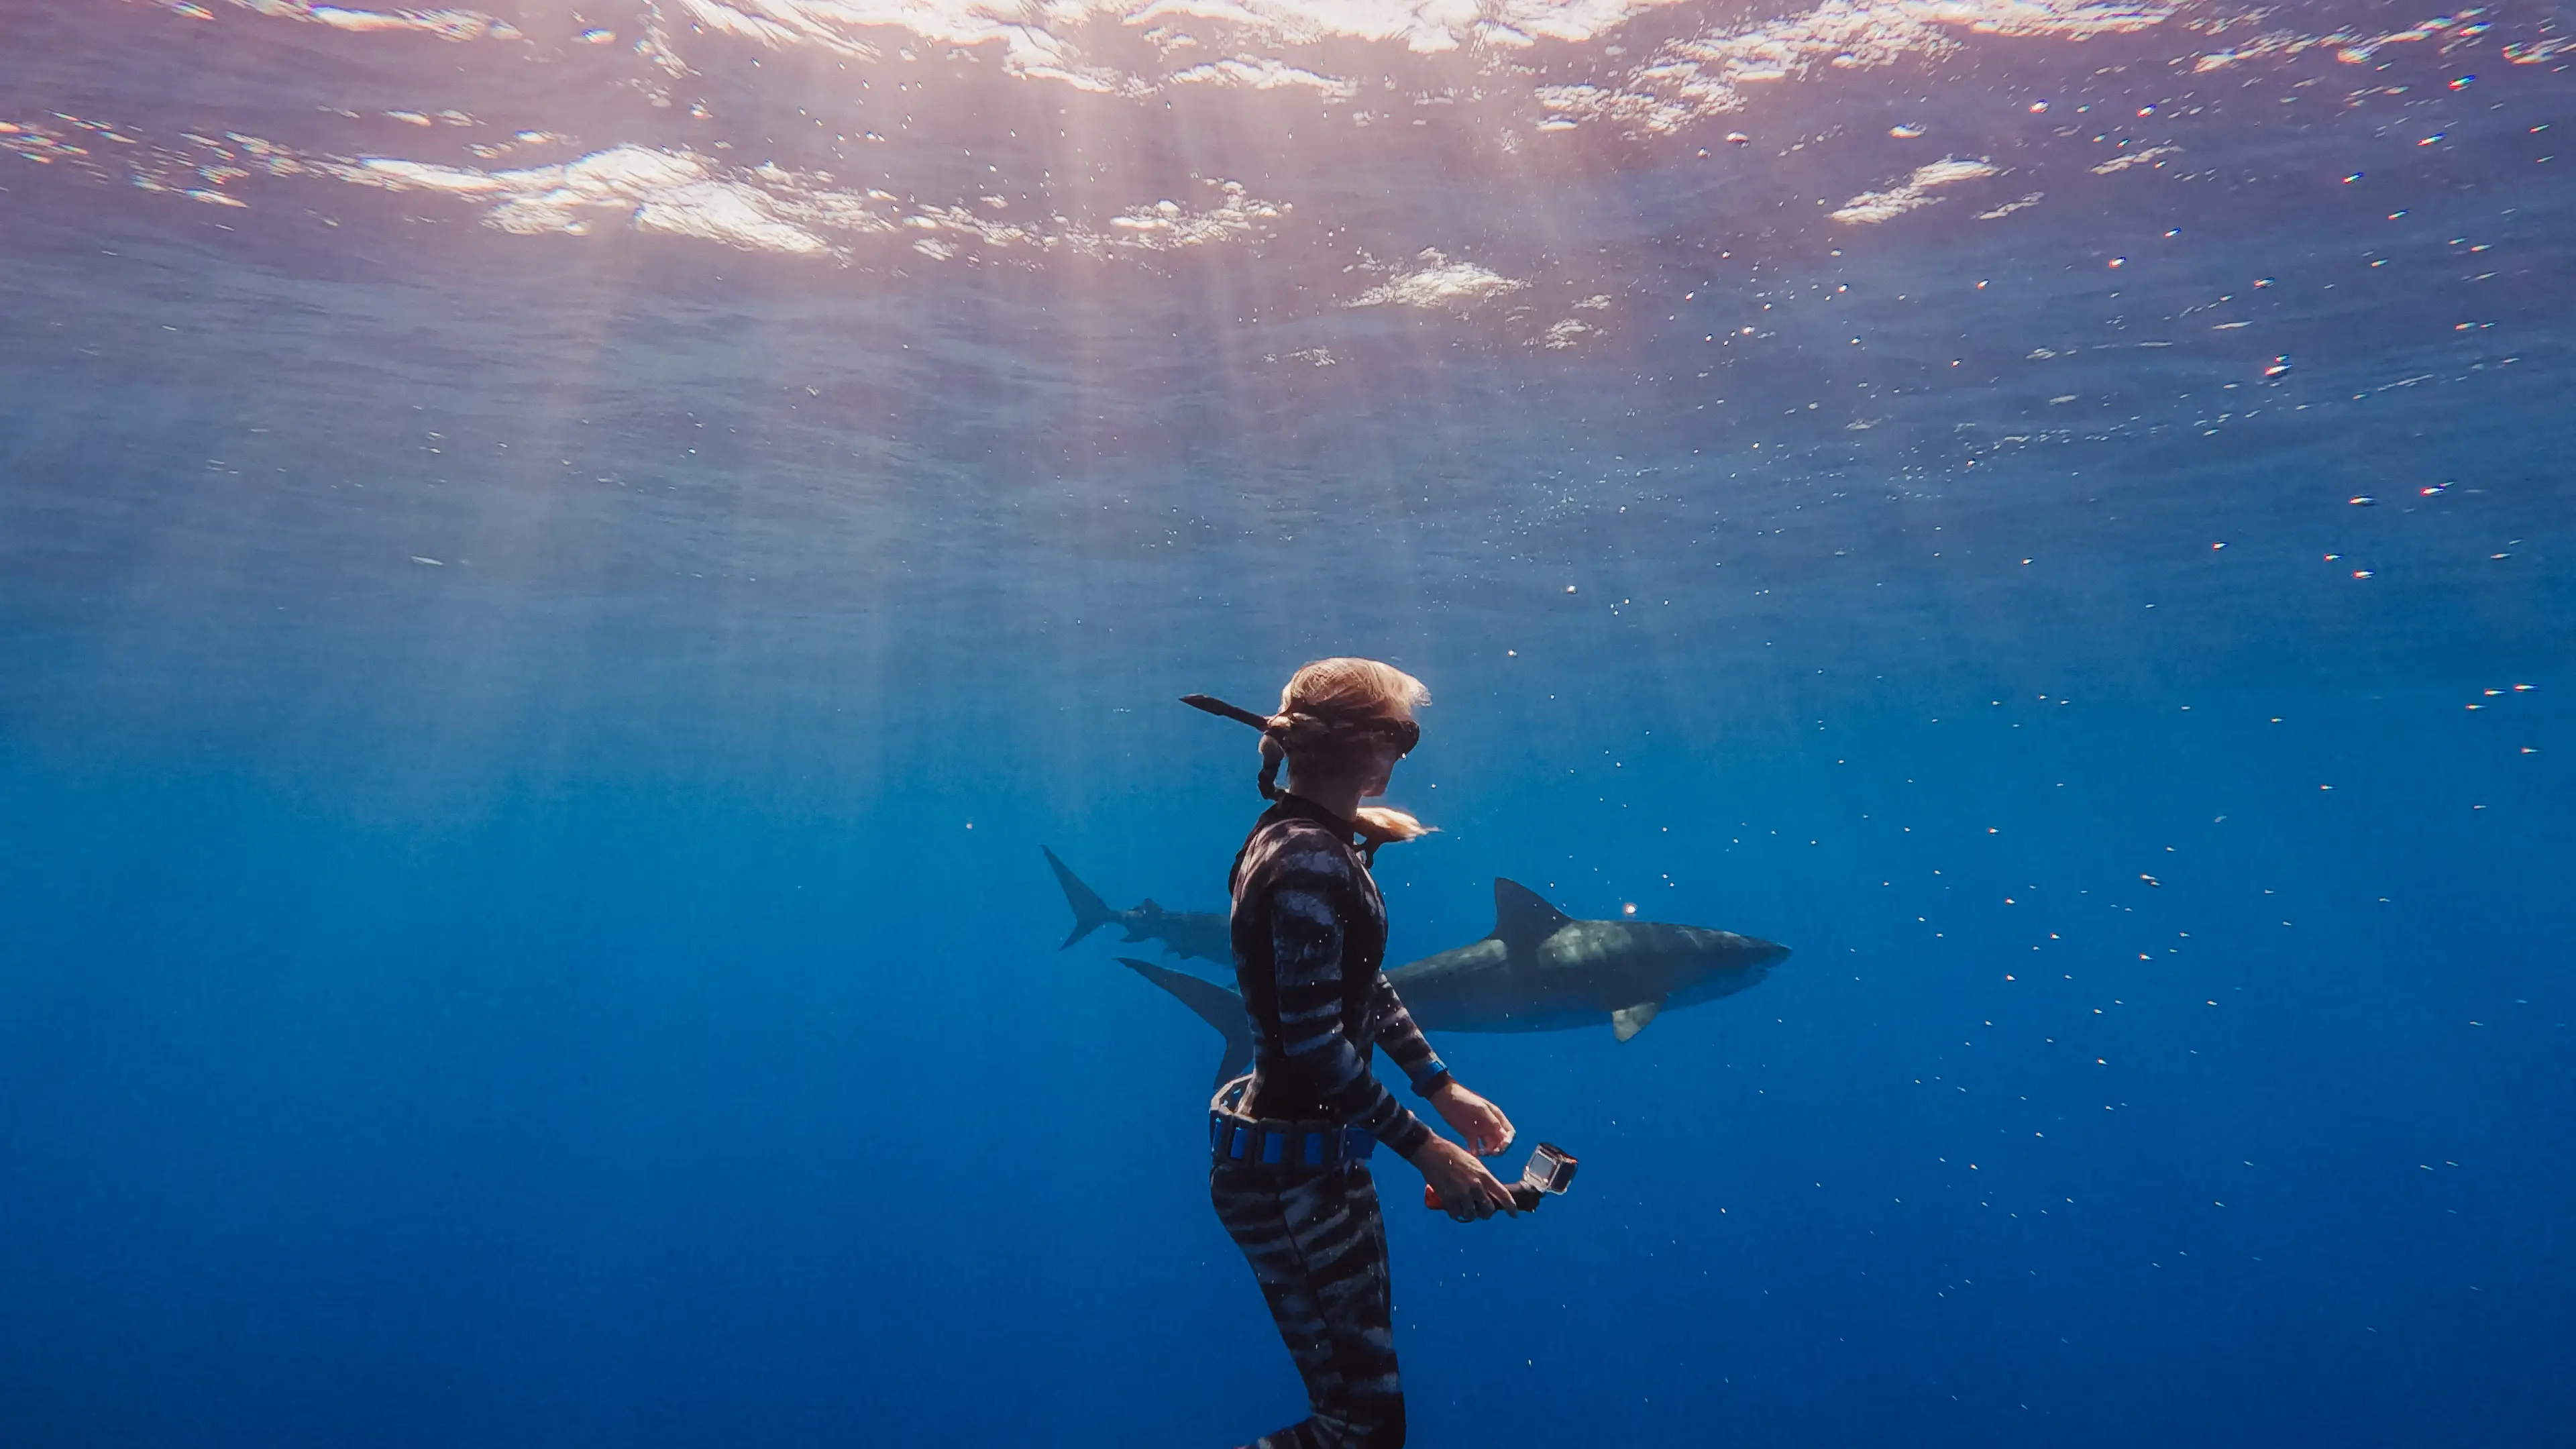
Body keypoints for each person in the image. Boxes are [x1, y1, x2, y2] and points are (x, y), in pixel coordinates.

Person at [1190, 658, 1521, 1449]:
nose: (1406, 753)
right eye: (1404, 735)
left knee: (1366, 1424)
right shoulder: (1307, 857)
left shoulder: (1316, 844)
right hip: (1289, 1178)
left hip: (1312, 1163)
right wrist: (1428, 1149)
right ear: (1363, 745)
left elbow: (1361, 987)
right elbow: (1310, 1044)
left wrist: (1441, 1087)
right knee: (1360, 1429)